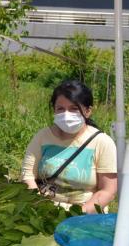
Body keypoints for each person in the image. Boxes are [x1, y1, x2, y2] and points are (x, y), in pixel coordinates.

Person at [20, 80, 117, 213]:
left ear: (88, 111)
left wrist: (78, 214)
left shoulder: (102, 142)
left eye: (74, 109)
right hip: (43, 209)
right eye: (60, 109)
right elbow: (27, 176)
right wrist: (40, 206)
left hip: (85, 214)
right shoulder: (42, 136)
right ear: (54, 110)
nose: (66, 115)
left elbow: (107, 191)